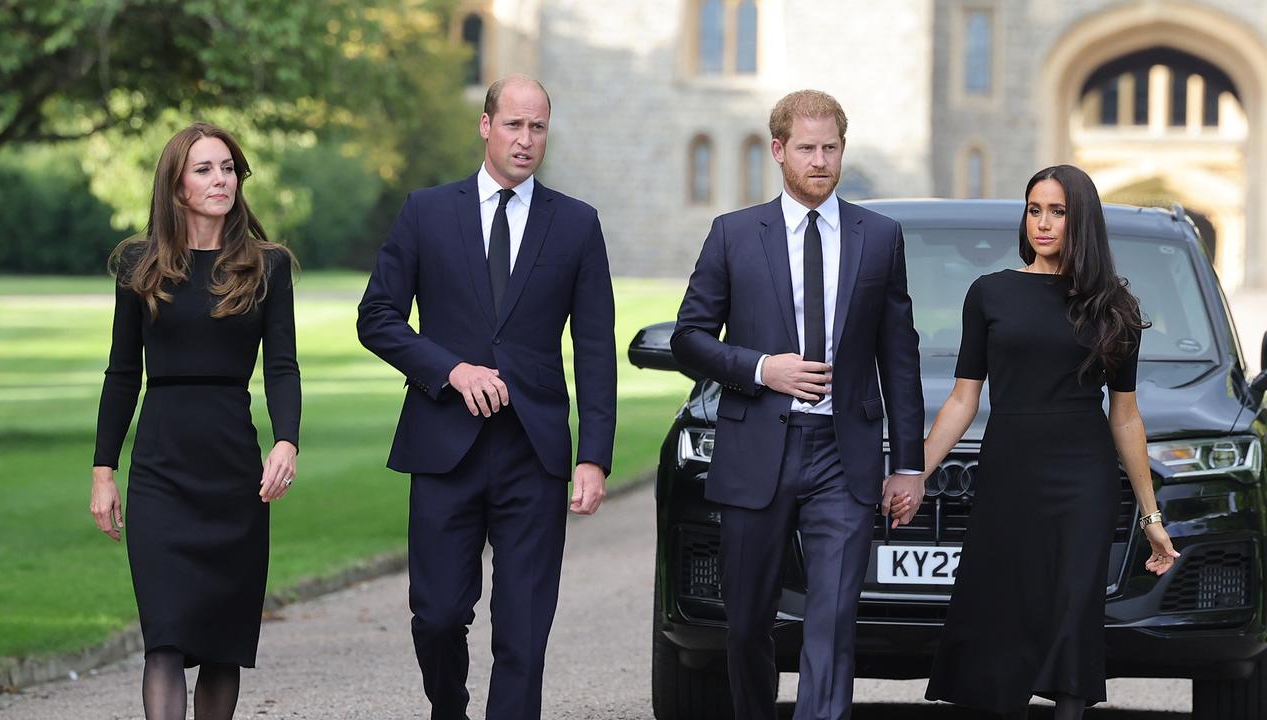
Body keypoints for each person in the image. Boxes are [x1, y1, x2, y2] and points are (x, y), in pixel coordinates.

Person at [355, 74, 616, 720]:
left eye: (538, 128)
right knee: (438, 616)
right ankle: (450, 707)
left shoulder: (578, 225)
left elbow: (595, 348)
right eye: (514, 125)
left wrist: (594, 456)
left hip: (535, 453)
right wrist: (450, 371)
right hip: (445, 446)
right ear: (486, 126)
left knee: (523, 630)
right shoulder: (426, 212)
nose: (526, 140)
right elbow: (377, 317)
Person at [671, 89, 925, 720]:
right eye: (807, 148)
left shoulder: (880, 236)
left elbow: (899, 355)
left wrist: (911, 464)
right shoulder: (733, 235)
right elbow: (689, 339)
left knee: (833, 619)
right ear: (779, 151)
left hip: (845, 455)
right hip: (757, 448)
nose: (820, 160)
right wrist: (762, 368)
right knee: (748, 621)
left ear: (843, 149)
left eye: (831, 148)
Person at [920, 164, 1179, 719]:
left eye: (1058, 212)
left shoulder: (1114, 307)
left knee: (1073, 608)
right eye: (1035, 209)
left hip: (1083, 478)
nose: (1043, 223)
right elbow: (964, 399)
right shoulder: (990, 293)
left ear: (1080, 220)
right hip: (1008, 470)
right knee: (1004, 609)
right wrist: (914, 471)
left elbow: (1126, 416)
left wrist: (1152, 518)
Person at [89, 122, 301, 720]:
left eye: (228, 168)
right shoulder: (139, 263)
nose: (221, 180)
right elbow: (121, 372)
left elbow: (282, 367)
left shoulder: (268, 266)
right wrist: (104, 470)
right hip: (161, 469)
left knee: (222, 646)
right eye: (205, 169)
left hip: (233, 471)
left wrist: (286, 441)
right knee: (165, 637)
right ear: (176, 185)